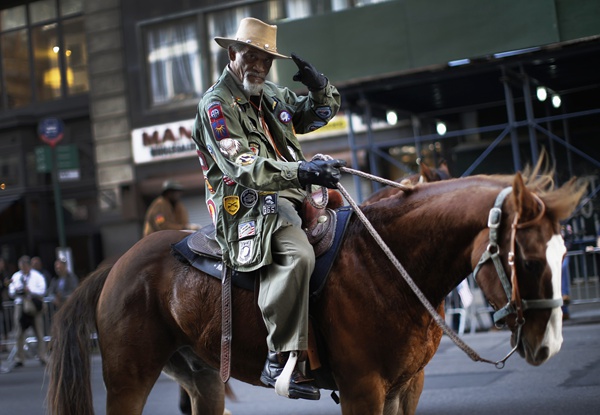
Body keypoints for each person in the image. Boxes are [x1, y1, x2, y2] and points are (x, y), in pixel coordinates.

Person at [192, 17, 345, 400]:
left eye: (266, 60)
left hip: (290, 196)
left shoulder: (272, 95)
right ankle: (279, 358)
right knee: (297, 256)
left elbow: (317, 115)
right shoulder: (216, 105)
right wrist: (303, 170)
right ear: (233, 54)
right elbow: (243, 166)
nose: (259, 66)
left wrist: (319, 85)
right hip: (245, 206)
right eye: (252, 57)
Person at [8, 255, 47, 367]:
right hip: (20, 305)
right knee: (19, 332)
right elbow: (11, 291)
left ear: (29, 266)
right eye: (21, 266)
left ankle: (42, 355)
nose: (23, 268)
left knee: (39, 331)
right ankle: (19, 357)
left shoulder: (37, 276)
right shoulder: (16, 276)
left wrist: (30, 291)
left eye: (25, 266)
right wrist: (17, 290)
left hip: (33, 305)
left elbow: (42, 290)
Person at [561, 223, 574, 320]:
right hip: (552, 254)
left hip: (563, 253)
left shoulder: (565, 224)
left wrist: (564, 249)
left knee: (563, 267)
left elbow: (570, 239)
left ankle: (565, 296)